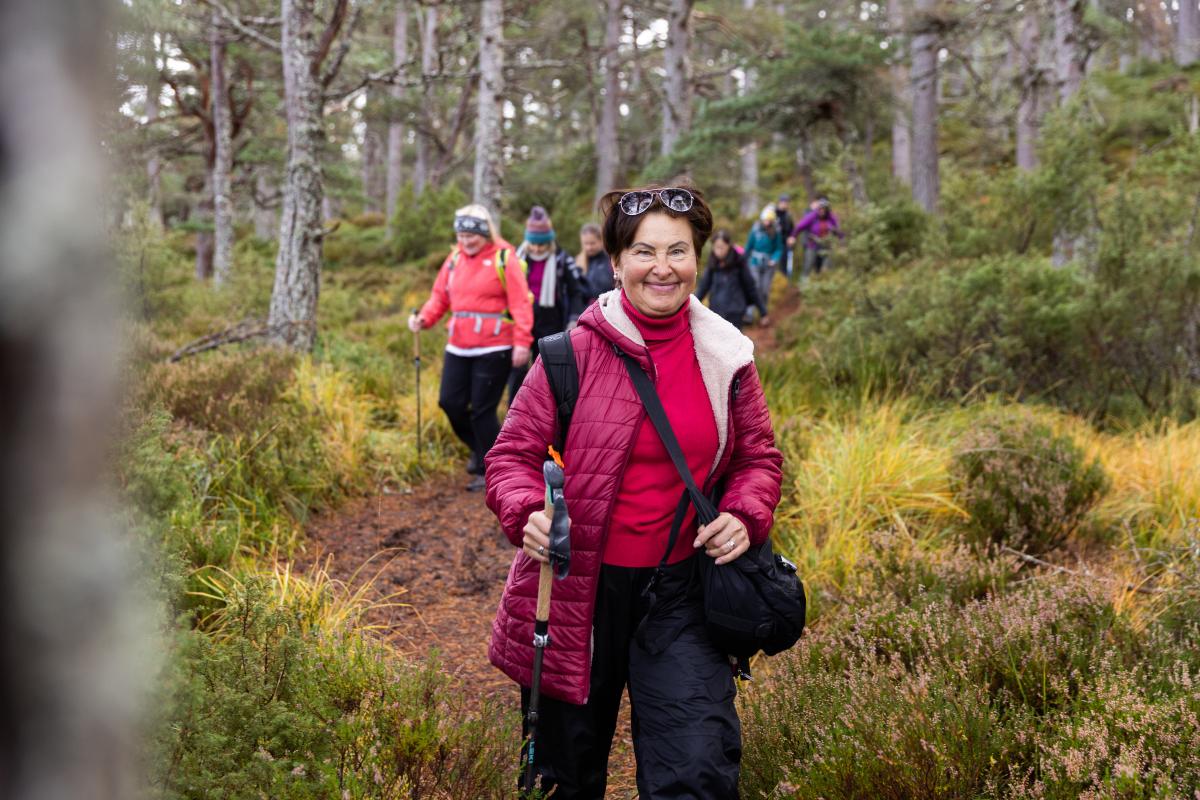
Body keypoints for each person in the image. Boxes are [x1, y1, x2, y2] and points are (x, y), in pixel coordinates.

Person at [486, 184, 784, 798]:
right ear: (616, 262)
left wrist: (743, 514)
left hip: (680, 593)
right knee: (563, 779)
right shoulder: (568, 354)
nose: (662, 267)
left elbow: (758, 458)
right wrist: (527, 511)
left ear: (697, 260)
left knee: (696, 773)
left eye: (678, 251)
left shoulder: (727, 357)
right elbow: (510, 457)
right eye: (644, 251)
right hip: (575, 595)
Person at [408, 204, 533, 492]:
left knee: (482, 410)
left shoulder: (504, 258)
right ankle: (483, 450)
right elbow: (439, 297)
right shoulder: (454, 260)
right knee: (449, 403)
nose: (466, 241)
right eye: (461, 235)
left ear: (485, 233)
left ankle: (492, 470)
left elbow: (520, 303)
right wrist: (424, 318)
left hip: (496, 346)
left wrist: (522, 342)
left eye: (472, 235)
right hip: (459, 345)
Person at [506, 206, 587, 399]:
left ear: (549, 241)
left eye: (541, 245)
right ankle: (514, 413)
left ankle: (546, 412)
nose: (536, 249)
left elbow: (576, 291)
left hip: (551, 321)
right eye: (532, 244)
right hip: (523, 320)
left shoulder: (562, 259)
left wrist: (573, 319)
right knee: (517, 371)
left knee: (547, 372)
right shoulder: (517, 258)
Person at [695, 229, 768, 330]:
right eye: (716, 247)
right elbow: (703, 287)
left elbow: (751, 287)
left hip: (735, 313)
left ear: (729, 246)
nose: (719, 251)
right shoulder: (713, 263)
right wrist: (691, 307)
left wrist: (763, 312)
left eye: (722, 247)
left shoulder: (739, 262)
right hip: (716, 313)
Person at [743, 205, 784, 323]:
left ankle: (763, 313)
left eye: (769, 221)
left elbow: (779, 248)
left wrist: (774, 259)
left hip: (769, 265)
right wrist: (743, 260)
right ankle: (749, 313)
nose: (767, 223)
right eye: (765, 220)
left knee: (765, 289)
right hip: (754, 263)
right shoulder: (755, 229)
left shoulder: (776, 231)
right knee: (754, 286)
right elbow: (749, 246)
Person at [790, 196, 843, 282]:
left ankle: (823, 286)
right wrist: (793, 236)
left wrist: (842, 242)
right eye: (820, 209)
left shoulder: (831, 218)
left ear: (827, 209)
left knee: (826, 267)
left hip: (826, 246)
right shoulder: (812, 216)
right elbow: (799, 226)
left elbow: (839, 231)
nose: (821, 211)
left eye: (824, 209)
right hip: (812, 245)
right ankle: (804, 285)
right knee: (808, 265)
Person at [577, 221, 613, 302]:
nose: (589, 247)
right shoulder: (579, 262)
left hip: (607, 307)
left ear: (601, 241)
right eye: (586, 244)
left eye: (592, 243)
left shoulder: (610, 260)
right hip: (585, 310)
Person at [774, 193, 795, 279]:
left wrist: (792, 238)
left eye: (786, 202)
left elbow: (792, 229)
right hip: (774, 243)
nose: (785, 204)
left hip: (785, 243)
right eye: (783, 202)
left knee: (784, 264)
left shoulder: (788, 215)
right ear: (779, 202)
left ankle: (783, 281)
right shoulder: (774, 213)